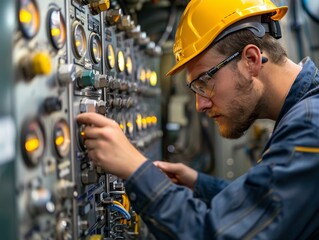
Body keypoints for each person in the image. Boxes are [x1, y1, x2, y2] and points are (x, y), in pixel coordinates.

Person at [77, 0, 319, 238]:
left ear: (251, 61)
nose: (200, 105)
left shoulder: (309, 128)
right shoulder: (305, 114)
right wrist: (198, 184)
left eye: (204, 82)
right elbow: (261, 205)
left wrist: (136, 171)